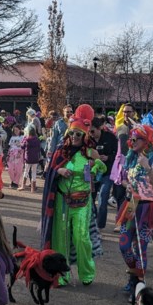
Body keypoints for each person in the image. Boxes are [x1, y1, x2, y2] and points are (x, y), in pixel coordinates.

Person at [41, 105, 105, 286]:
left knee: (81, 237)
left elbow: (99, 174)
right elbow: (49, 173)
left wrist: (95, 170)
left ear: (85, 135)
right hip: (62, 201)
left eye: (79, 134)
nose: (75, 137)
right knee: (61, 238)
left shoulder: (91, 153)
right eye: (72, 133)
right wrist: (59, 170)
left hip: (83, 202)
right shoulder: (60, 152)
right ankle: (61, 275)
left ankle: (87, 272)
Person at [116, 124, 153, 291]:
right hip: (131, 205)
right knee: (124, 245)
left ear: (147, 141)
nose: (132, 141)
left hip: (147, 207)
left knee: (141, 248)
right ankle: (134, 273)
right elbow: (123, 179)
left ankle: (137, 282)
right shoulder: (131, 156)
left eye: (137, 139)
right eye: (132, 138)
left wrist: (147, 167)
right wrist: (127, 186)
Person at [90, 115, 119, 230]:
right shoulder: (88, 140)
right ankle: (94, 221)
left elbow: (118, 154)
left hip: (107, 173)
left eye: (92, 131)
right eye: (89, 131)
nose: (91, 133)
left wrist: (108, 157)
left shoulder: (110, 138)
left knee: (103, 197)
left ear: (99, 128)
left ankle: (99, 226)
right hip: (92, 173)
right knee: (90, 200)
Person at [21, 126, 41, 192]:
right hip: (35, 158)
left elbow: (22, 147)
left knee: (26, 171)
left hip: (28, 158)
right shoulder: (37, 140)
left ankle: (23, 186)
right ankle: (33, 188)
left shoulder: (27, 139)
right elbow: (39, 149)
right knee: (34, 173)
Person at [6, 124, 25, 189]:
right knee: (10, 168)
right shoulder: (12, 137)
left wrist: (20, 146)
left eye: (17, 130)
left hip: (19, 154)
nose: (16, 131)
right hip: (11, 154)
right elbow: (10, 146)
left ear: (20, 130)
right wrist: (7, 155)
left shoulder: (22, 137)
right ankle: (13, 181)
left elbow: (24, 145)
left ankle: (15, 183)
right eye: (14, 130)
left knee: (18, 169)